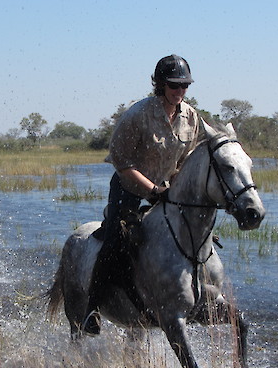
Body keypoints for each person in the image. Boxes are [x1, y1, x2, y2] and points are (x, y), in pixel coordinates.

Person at [82, 55, 204, 335]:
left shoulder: (191, 116)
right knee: (115, 241)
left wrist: (175, 189)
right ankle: (91, 307)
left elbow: (186, 160)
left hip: (168, 192)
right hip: (131, 191)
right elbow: (122, 164)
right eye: (175, 85)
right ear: (160, 84)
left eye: (185, 85)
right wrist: (153, 190)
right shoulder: (137, 115)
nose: (180, 91)